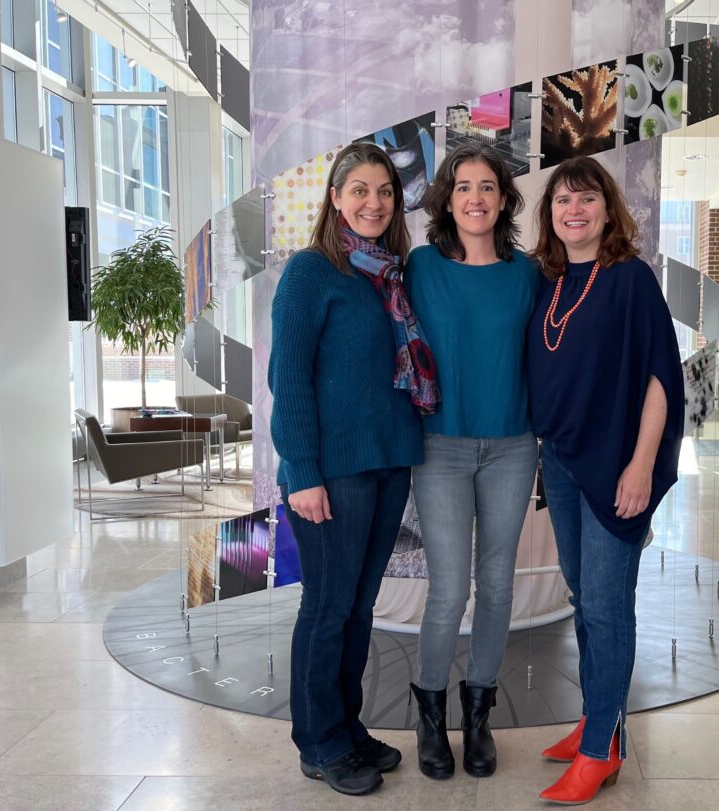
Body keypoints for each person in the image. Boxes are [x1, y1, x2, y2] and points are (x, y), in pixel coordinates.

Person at [269, 143, 438, 797]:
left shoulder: (391, 275)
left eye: (385, 191)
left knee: (359, 607)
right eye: (360, 190)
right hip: (332, 471)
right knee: (328, 605)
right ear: (335, 197)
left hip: (390, 460)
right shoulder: (312, 273)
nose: (374, 202)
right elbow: (290, 380)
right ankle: (319, 742)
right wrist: (302, 470)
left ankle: (346, 724)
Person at [526, 156, 684, 805]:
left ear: (606, 208)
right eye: (563, 200)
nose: (574, 209)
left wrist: (642, 464)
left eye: (586, 198)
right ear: (551, 214)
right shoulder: (551, 280)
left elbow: (660, 379)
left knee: (607, 605)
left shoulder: (630, 280)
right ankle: (600, 720)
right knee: (585, 599)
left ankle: (599, 751)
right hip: (560, 460)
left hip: (617, 463)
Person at [405, 144, 539, 780]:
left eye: (489, 186)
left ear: (505, 199)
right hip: (441, 447)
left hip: (514, 445)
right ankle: (431, 722)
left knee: (497, 585)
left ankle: (478, 717)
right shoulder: (421, 267)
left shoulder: (528, 273)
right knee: (450, 589)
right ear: (447, 198)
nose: (477, 197)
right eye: (464, 187)